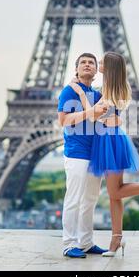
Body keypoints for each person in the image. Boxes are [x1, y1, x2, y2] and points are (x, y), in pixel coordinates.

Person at [69, 51, 139, 257]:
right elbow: (109, 117)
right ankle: (116, 240)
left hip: (109, 141)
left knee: (115, 193)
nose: (98, 64)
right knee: (115, 196)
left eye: (101, 62)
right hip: (109, 139)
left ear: (110, 67)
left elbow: (94, 116)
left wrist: (79, 91)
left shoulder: (110, 91)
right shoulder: (115, 88)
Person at [57, 53, 110, 258]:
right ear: (76, 69)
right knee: (74, 199)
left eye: (91, 63)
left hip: (94, 153)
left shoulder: (95, 95)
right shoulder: (68, 91)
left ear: (97, 70)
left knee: (90, 200)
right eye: (83, 63)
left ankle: (86, 242)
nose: (87, 65)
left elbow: (103, 112)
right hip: (77, 153)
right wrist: (89, 110)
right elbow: (63, 120)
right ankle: (69, 244)